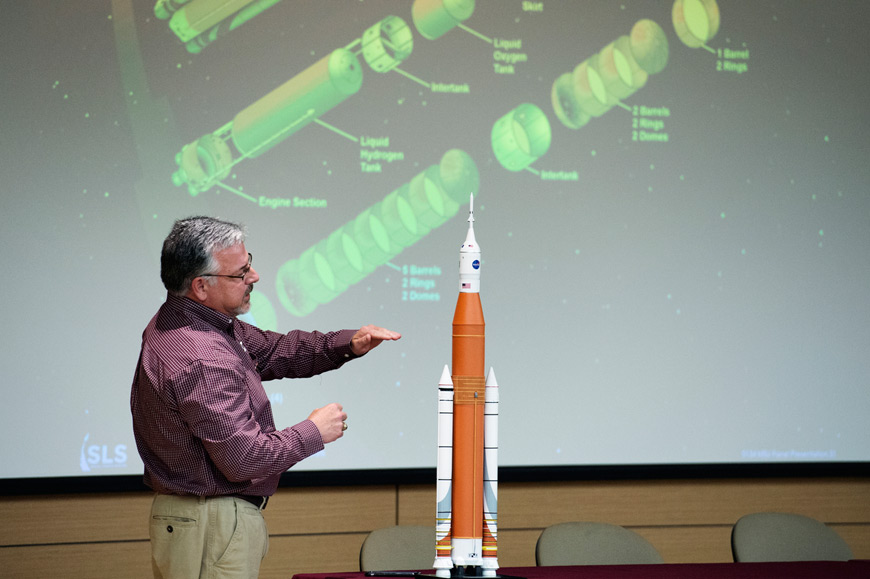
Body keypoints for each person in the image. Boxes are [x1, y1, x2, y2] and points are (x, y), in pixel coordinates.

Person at [131, 216, 401, 579]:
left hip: (204, 520)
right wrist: (313, 431)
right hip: (212, 521)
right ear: (200, 286)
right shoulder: (201, 354)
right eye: (239, 273)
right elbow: (244, 459)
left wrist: (345, 345)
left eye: (249, 264)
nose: (254, 277)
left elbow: (274, 350)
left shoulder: (194, 321)